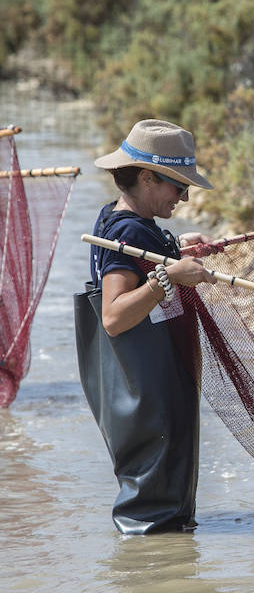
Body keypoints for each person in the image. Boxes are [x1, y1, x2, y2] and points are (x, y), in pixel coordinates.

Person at [74, 119, 217, 534]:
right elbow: (114, 316)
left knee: (166, 496)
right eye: (179, 186)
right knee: (153, 516)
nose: (185, 196)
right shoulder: (126, 231)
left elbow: (143, 256)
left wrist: (175, 247)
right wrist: (170, 277)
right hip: (149, 382)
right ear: (147, 177)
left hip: (153, 378)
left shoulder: (122, 222)